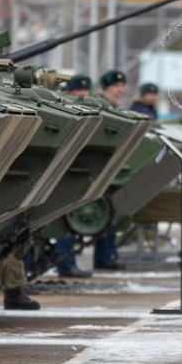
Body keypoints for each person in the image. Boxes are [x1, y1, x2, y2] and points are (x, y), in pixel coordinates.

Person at [52, 74, 94, 278]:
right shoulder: (61, 106)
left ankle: (67, 261)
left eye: (85, 91)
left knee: (69, 221)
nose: (82, 94)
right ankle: (64, 262)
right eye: (78, 90)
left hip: (74, 171)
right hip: (59, 174)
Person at [93, 69, 129, 269]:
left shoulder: (113, 105)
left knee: (110, 212)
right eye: (116, 86)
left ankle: (106, 255)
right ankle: (103, 256)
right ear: (107, 87)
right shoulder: (101, 104)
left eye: (122, 86)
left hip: (109, 166)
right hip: (100, 166)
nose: (120, 89)